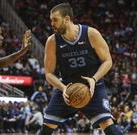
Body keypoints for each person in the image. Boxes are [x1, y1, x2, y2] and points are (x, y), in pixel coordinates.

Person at [40, 3, 123, 135]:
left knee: (109, 126)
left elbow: (108, 61)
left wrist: (94, 79)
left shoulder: (91, 34)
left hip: (93, 87)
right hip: (67, 89)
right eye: (51, 20)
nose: (51, 23)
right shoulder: (52, 42)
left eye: (55, 19)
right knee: (45, 129)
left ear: (67, 19)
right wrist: (63, 88)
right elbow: (49, 73)